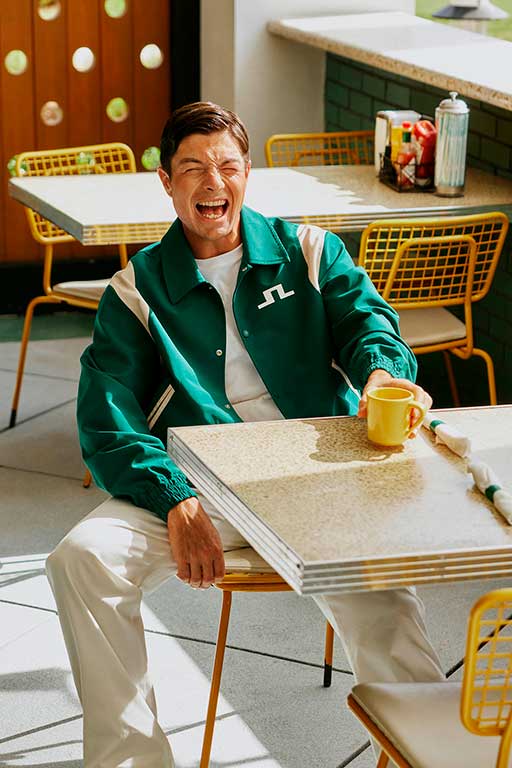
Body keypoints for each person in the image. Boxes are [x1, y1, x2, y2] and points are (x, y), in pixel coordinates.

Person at [46, 101, 445, 768]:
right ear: (167, 182)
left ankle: (436, 755)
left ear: (248, 172)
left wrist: (381, 374)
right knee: (81, 559)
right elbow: (106, 415)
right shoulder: (136, 289)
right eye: (193, 169)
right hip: (201, 485)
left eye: (227, 166)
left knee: (385, 605)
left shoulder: (310, 252)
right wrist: (175, 498)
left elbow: (369, 325)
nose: (214, 183)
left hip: (316, 477)